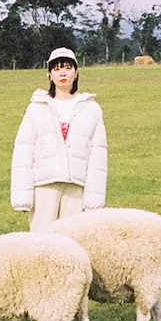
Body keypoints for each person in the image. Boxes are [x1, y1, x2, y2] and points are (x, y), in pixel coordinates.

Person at [11, 47, 108, 230]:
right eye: (56, 69)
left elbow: (98, 155)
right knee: (41, 242)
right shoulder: (37, 107)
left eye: (67, 68)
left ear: (76, 72)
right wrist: (22, 196)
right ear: (49, 75)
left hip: (75, 187)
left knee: (73, 242)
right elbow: (24, 151)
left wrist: (94, 197)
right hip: (44, 186)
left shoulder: (91, 109)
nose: (62, 73)